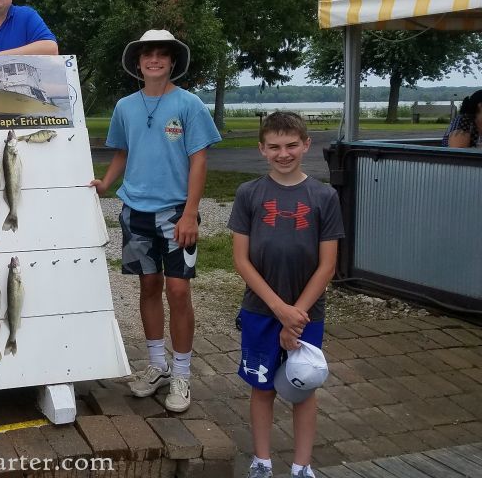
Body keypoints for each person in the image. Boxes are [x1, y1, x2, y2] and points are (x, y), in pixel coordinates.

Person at [90, 29, 221, 412]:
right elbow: (122, 152)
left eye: (163, 55)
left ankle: (182, 373)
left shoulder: (189, 104)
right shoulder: (125, 106)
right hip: (136, 212)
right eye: (148, 55)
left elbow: (199, 159)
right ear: (138, 62)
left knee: (178, 291)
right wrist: (105, 183)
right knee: (149, 286)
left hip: (177, 213)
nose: (155, 61)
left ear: (172, 62)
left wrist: (192, 212)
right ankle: (157, 367)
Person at [228, 112, 344, 478]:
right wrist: (280, 310)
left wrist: (296, 315)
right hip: (261, 310)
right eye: (274, 146)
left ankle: (301, 466)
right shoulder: (249, 194)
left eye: (291, 145)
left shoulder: (325, 196)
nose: (283, 153)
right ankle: (262, 461)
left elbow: (327, 266)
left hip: (307, 312)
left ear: (306, 145)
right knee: (262, 386)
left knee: (302, 386)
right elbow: (241, 260)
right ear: (262, 149)